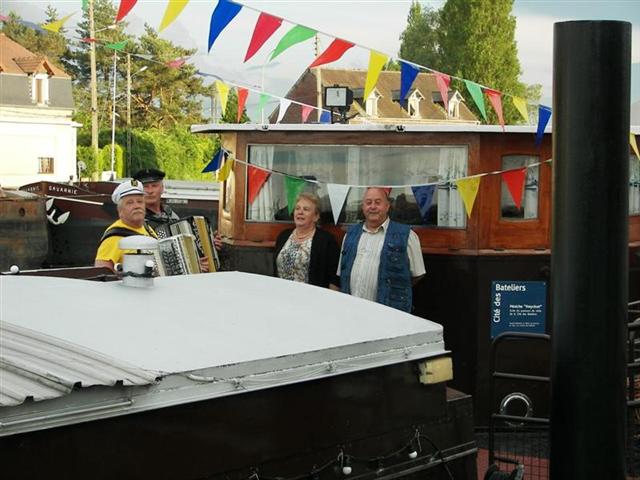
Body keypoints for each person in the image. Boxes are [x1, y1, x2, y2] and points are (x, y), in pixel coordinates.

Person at [332, 187, 426, 312]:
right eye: (368, 202)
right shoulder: (350, 234)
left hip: (390, 313)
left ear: (387, 206)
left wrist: (393, 287)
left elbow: (417, 275)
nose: (372, 207)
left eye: (377, 202)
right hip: (352, 311)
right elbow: (342, 273)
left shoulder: (407, 235)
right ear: (363, 207)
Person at [133, 167, 223, 271]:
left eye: (154, 186)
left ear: (162, 188)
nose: (150, 191)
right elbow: (157, 258)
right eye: (145, 187)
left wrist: (209, 244)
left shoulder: (170, 214)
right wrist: (192, 264)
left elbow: (187, 245)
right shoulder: (138, 220)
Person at [274, 193, 340, 288]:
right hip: (281, 295)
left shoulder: (326, 241)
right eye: (297, 208)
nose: (300, 212)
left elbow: (334, 279)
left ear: (316, 216)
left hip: (311, 299)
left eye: (306, 209)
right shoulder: (283, 236)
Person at [95, 179, 156, 272]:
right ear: (120, 210)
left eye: (140, 201)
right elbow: (101, 276)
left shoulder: (147, 228)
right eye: (130, 203)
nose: (136, 206)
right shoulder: (113, 238)